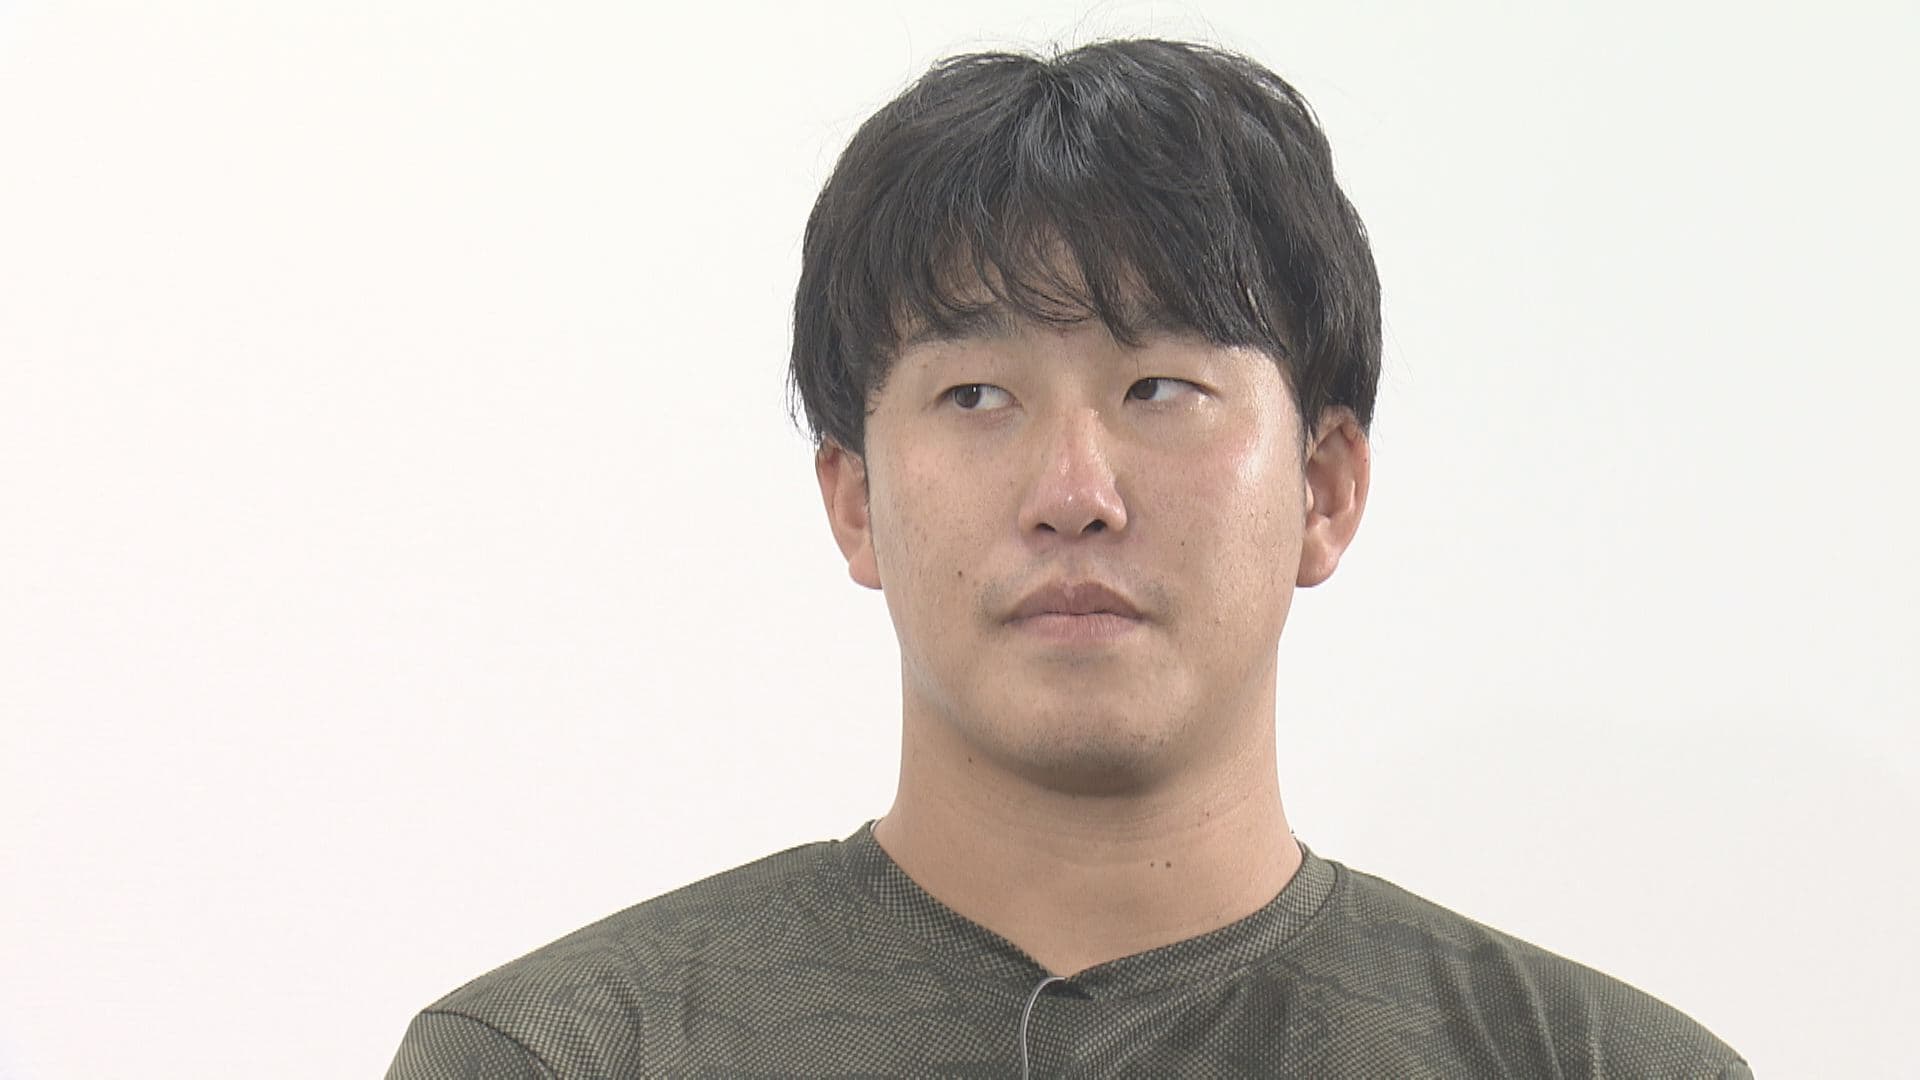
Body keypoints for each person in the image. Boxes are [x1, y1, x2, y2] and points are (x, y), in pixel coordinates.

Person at [385, 38, 1749, 1078]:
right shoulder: (570, 1054)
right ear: (854, 499)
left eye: (1161, 388)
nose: (1074, 495)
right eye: (976, 395)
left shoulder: (1591, 1066)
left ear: (1325, 487)